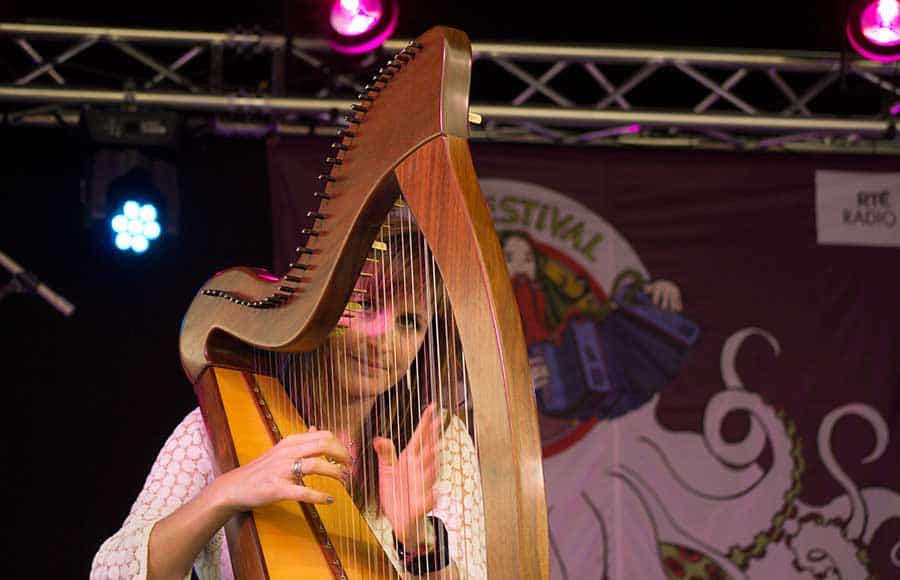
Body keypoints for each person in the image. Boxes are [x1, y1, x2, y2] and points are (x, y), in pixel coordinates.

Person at [91, 217, 486, 580]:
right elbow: (112, 573)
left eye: (410, 321)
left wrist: (418, 541)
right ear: (322, 307)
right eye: (365, 304)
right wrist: (226, 492)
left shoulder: (440, 441)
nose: (382, 338)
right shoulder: (211, 431)